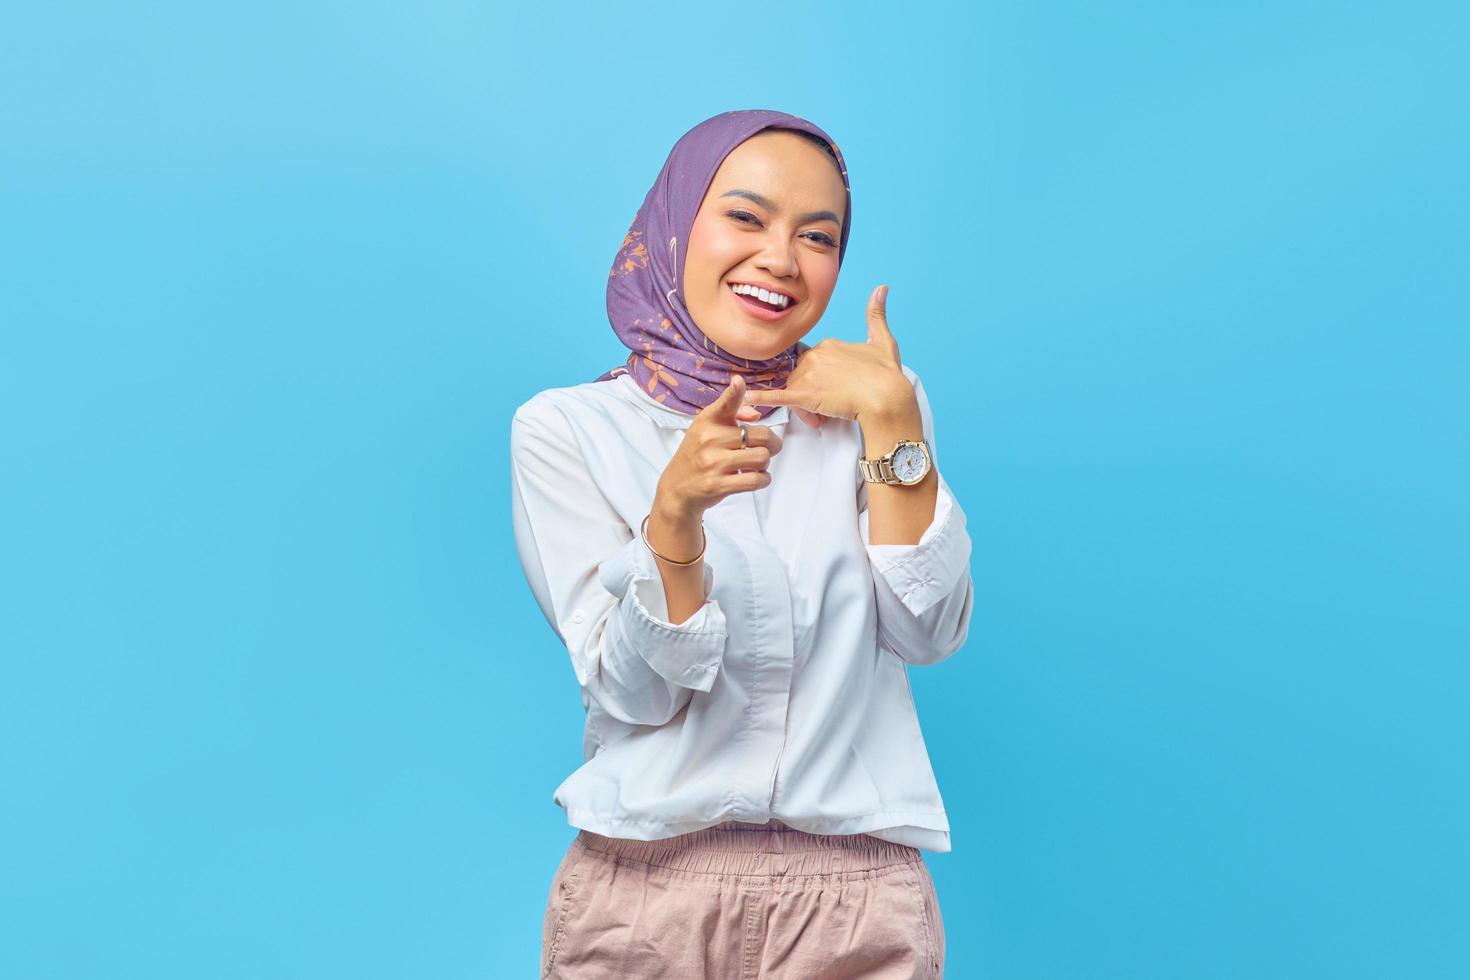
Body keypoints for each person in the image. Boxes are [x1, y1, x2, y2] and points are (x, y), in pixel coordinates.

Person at [511, 109, 973, 979]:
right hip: (645, 890)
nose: (781, 260)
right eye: (747, 217)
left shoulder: (879, 402)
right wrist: (674, 524)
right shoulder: (570, 429)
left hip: (855, 895)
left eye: (818, 235)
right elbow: (635, 697)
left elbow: (930, 633)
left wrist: (893, 423)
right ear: (677, 223)